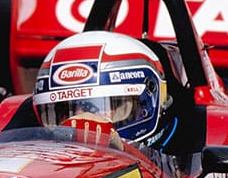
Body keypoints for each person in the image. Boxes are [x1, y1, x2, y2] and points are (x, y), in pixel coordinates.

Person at [33, 30, 176, 149]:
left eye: (97, 107)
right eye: (64, 110)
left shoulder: (180, 159)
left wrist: (123, 149)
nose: (81, 120)